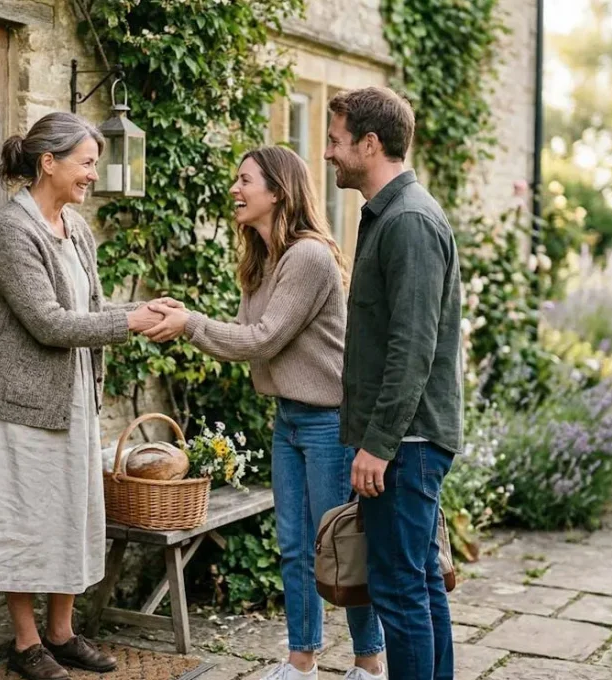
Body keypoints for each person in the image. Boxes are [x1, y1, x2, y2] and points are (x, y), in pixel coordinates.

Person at [143, 146, 387, 680]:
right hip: (290, 421)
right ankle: (302, 661)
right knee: (295, 547)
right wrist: (188, 321)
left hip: (329, 423)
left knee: (342, 547)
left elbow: (261, 339)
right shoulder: (265, 258)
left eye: (244, 179)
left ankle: (369, 664)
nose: (235, 188)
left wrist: (188, 323)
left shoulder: (307, 256)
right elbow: (249, 339)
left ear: (277, 190)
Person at [0, 112, 166, 680]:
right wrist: (132, 323)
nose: (92, 175)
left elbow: (92, 311)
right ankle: (26, 643)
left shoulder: (76, 228)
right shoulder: (11, 231)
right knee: (22, 519)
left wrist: (142, 312)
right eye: (85, 163)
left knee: (70, 515)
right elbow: (50, 323)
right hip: (21, 404)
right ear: (47, 162)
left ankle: (62, 632)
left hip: (73, 395)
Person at [324, 87, 463, 680]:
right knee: (420, 584)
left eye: (335, 141)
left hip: (405, 445)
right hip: (404, 442)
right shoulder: (391, 216)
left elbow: (413, 348)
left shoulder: (407, 221)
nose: (328, 154)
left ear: (370, 143)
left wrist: (377, 445)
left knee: (401, 591)